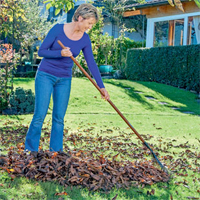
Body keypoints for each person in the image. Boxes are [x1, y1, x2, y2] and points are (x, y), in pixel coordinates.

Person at [25, 3, 110, 152]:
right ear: (79, 18)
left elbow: (91, 64)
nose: (90, 27)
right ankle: (30, 150)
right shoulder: (58, 29)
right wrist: (60, 53)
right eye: (89, 23)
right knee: (40, 115)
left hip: (64, 79)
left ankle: (56, 151)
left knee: (58, 117)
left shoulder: (85, 39)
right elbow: (42, 52)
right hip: (45, 75)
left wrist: (101, 86)